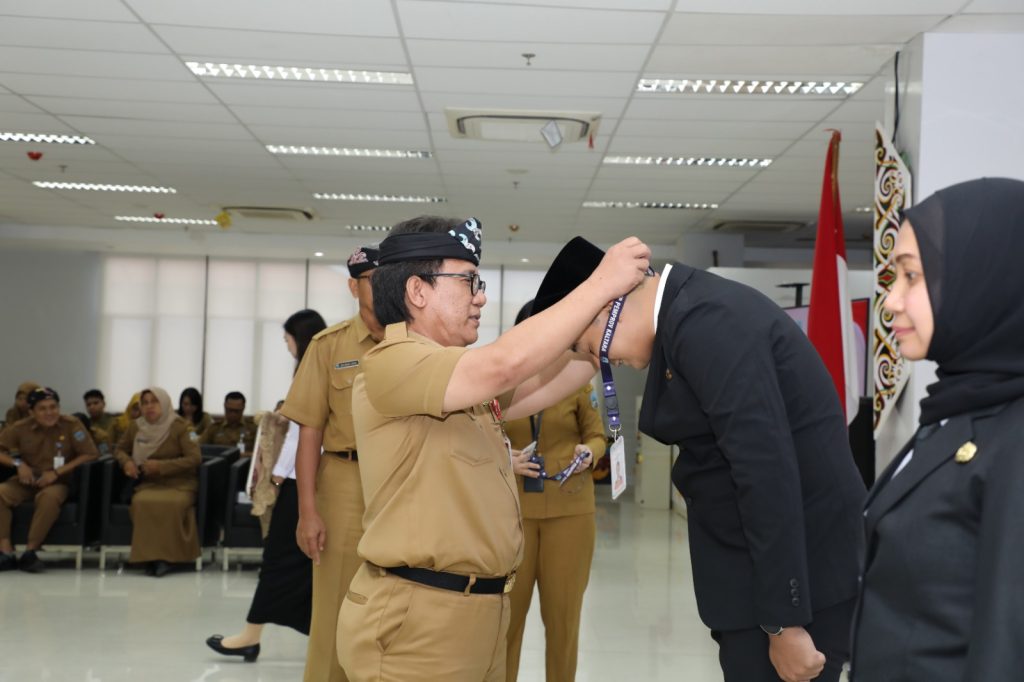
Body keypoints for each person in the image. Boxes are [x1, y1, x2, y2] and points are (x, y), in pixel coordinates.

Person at [531, 236, 867, 682]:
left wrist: (783, 621)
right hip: (767, 576)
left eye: (592, 348)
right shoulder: (687, 314)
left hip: (800, 584)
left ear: (606, 309)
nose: (606, 362)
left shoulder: (708, 323)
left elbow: (764, 471)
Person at [335, 216, 649, 682]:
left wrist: (611, 332)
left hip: (478, 614)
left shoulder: (460, 383)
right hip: (418, 624)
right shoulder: (392, 363)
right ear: (418, 292)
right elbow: (504, 365)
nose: (480, 295)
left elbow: (558, 374)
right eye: (468, 282)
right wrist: (600, 285)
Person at [850, 178, 1024, 681]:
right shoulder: (956, 409)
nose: (890, 302)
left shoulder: (1013, 438)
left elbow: (1007, 648)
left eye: (912, 277)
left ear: (985, 281)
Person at [280, 246, 384, 682]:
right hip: (345, 482)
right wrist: (308, 512)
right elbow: (310, 434)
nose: (381, 289)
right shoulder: (328, 346)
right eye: (371, 281)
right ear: (352, 287)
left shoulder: (418, 342)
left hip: (407, 483)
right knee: (334, 617)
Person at [206, 308, 328, 663]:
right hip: (310, 478)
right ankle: (292, 632)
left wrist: (277, 473)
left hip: (298, 480)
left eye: (287, 338)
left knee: (281, 558)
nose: (286, 345)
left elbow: (304, 434)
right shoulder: (316, 367)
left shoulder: (310, 368)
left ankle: (251, 635)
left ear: (299, 337)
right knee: (302, 562)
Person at [505, 299, 607, 682]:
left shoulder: (577, 375)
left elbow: (598, 434)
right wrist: (504, 456)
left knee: (563, 620)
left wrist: (589, 452)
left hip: (570, 511)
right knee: (507, 620)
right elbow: (478, 437)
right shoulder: (501, 379)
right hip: (513, 513)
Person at [0, 387, 99, 572]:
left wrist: (57, 472)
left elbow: (90, 453)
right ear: (31, 411)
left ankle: (31, 551)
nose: (49, 413)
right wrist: (18, 464)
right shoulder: (19, 428)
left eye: (53, 407)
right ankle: (5, 551)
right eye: (42, 408)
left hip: (58, 481)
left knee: (48, 498)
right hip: (27, 479)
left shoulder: (71, 424)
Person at [113, 387, 201, 577]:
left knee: (172, 504)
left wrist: (162, 467)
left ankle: (167, 558)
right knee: (141, 502)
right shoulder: (136, 426)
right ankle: (149, 557)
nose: (149, 406)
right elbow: (119, 449)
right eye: (144, 403)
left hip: (180, 483)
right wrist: (127, 461)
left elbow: (194, 458)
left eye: (154, 401)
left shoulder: (182, 427)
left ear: (164, 403)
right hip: (149, 483)